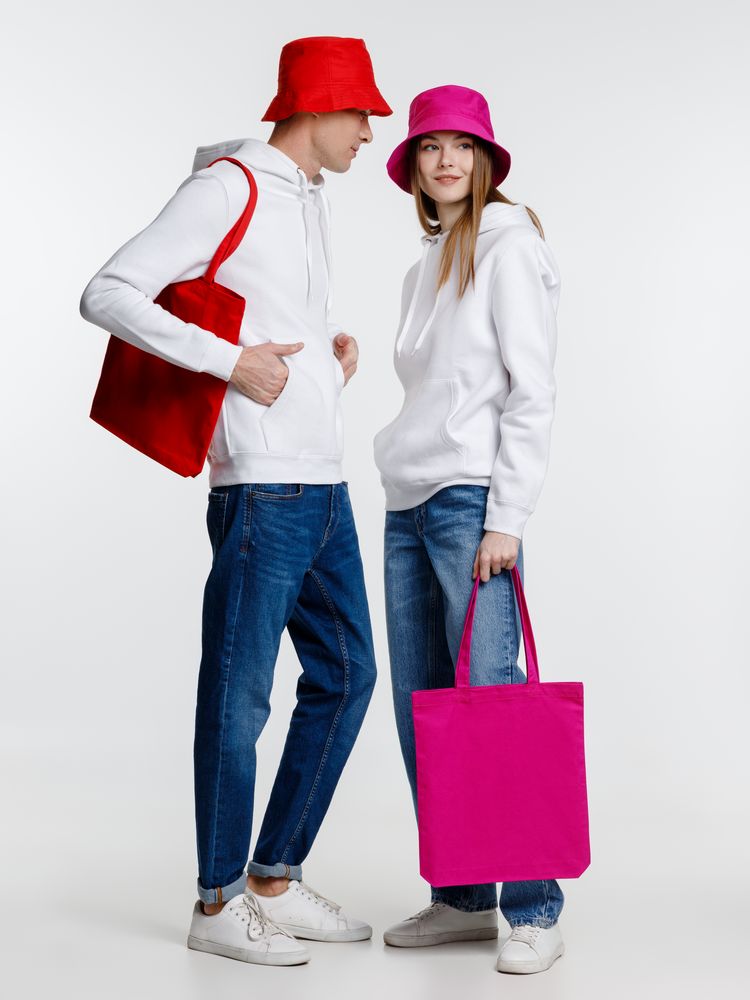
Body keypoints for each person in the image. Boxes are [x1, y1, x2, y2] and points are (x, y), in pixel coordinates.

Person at [79, 36, 392, 968]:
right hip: (262, 487)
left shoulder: (309, 197)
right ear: (317, 105)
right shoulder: (231, 186)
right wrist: (231, 363)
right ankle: (217, 901)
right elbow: (108, 291)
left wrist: (323, 358)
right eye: (361, 112)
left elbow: (267, 317)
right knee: (239, 694)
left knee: (348, 675)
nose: (371, 131)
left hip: (325, 482)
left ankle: (274, 880)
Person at [373, 85, 566, 975]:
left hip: (469, 504)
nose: (445, 160)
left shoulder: (509, 246)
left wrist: (507, 517)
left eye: (461, 145)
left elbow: (532, 390)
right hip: (406, 503)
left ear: (485, 160)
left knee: (491, 695)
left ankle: (533, 906)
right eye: (429, 146)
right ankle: (461, 895)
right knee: (427, 707)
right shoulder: (424, 266)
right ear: (413, 165)